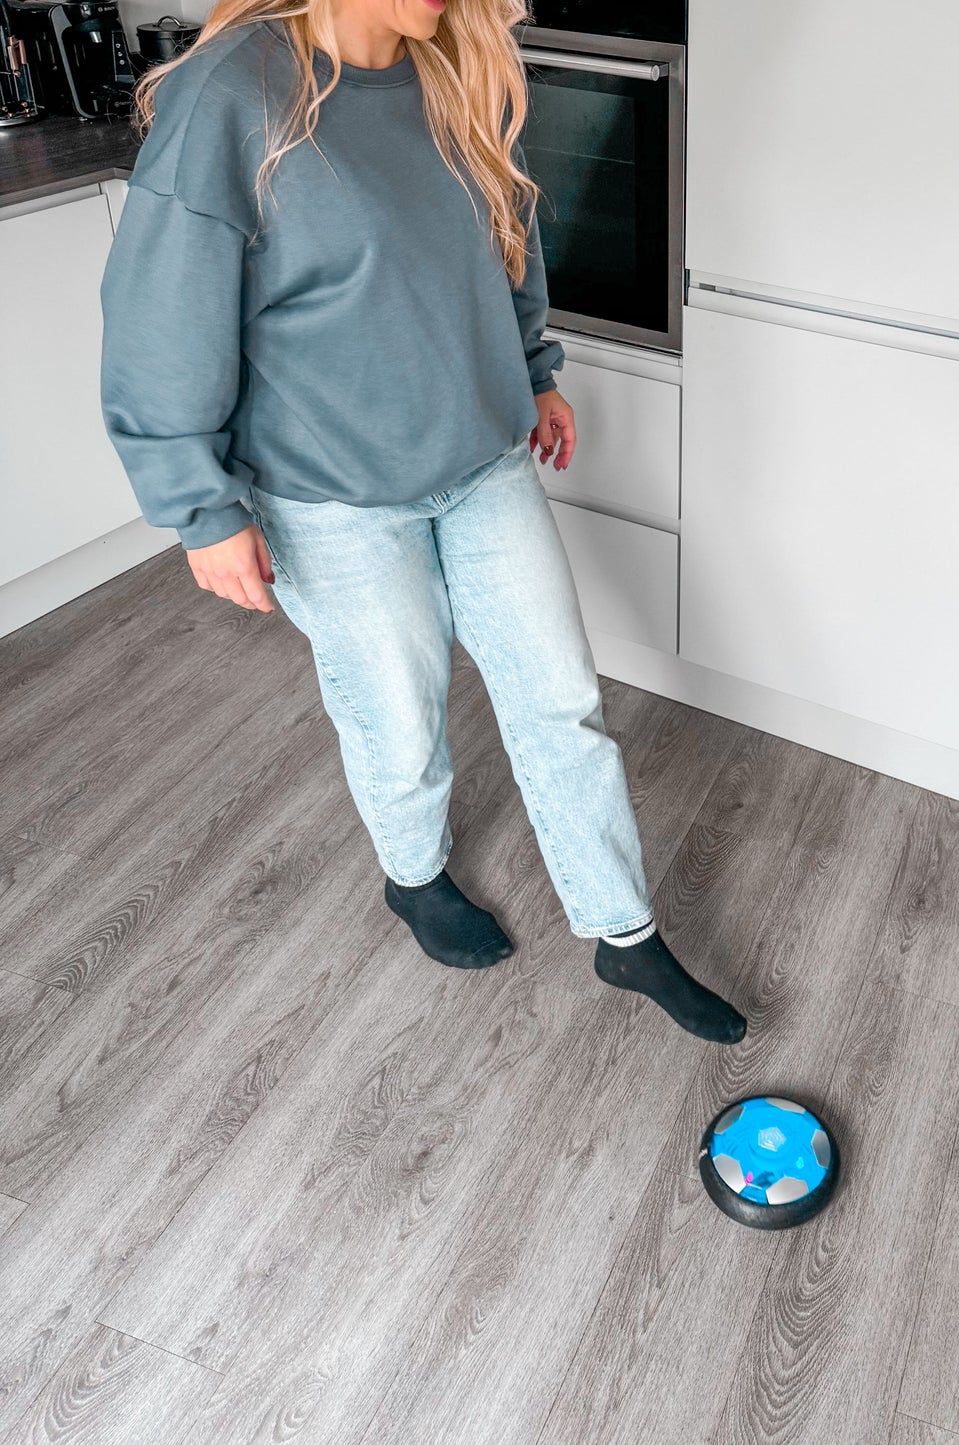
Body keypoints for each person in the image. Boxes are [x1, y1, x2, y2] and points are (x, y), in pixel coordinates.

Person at [99, 0, 745, 1046]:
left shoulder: (460, 67)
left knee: (559, 698)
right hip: (329, 491)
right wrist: (199, 507)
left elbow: (505, 241)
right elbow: (158, 317)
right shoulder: (237, 94)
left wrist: (535, 374)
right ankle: (415, 876)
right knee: (397, 721)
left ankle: (622, 929)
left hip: (483, 456)